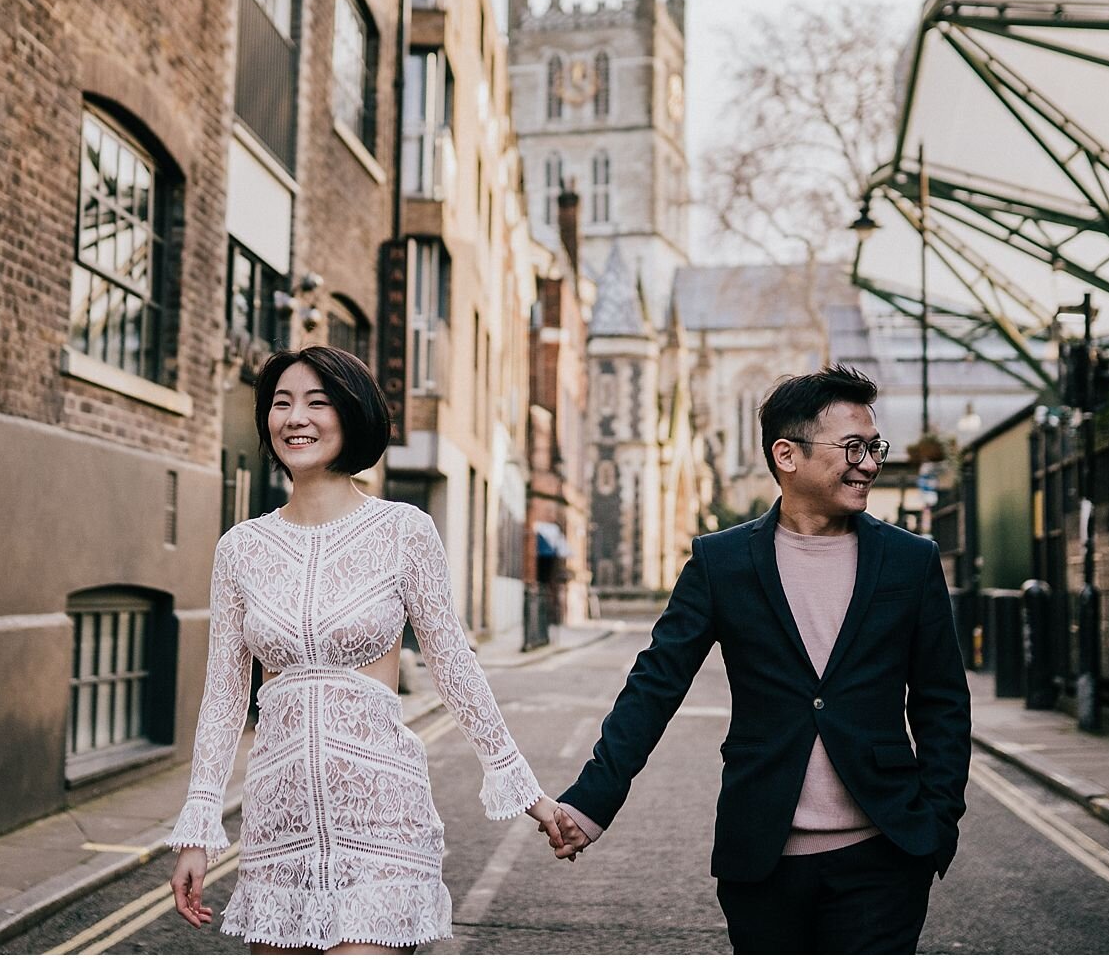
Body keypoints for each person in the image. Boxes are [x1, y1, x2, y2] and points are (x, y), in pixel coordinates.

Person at [544, 364, 971, 954]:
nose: (870, 463)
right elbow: (655, 685)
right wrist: (592, 801)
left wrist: (936, 825)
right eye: (852, 447)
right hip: (762, 859)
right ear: (786, 455)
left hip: (885, 857)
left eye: (874, 446)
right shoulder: (722, 563)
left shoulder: (909, 561)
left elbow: (942, 702)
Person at [168, 346, 564, 954]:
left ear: (351, 415)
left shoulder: (404, 530)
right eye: (281, 404)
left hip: (382, 822)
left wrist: (523, 788)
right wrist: (197, 828)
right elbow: (223, 698)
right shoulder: (240, 549)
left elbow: (454, 665)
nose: (295, 418)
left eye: (316, 403)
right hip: (279, 828)